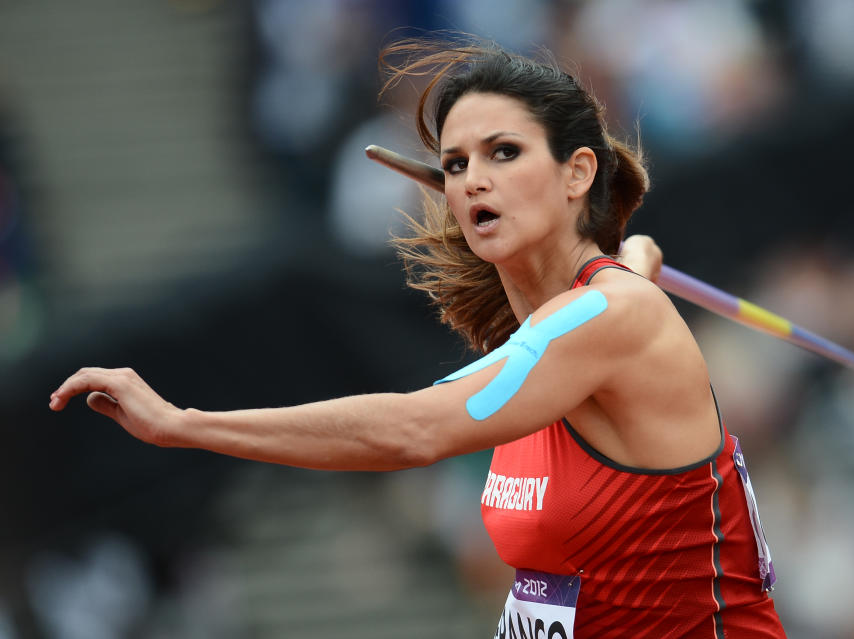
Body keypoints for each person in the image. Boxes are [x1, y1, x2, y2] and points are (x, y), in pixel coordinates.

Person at [50, 36, 786, 638]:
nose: (472, 180)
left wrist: (187, 425)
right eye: (457, 163)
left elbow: (413, 429)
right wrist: (632, 261)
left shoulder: (609, 318)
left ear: (577, 173)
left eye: (504, 153)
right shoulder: (580, 327)